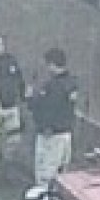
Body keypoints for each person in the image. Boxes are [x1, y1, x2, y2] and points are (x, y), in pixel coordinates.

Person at [27, 47, 78, 188]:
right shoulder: (71, 83)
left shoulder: (54, 86)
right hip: (66, 133)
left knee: (45, 174)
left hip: (50, 135)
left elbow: (46, 108)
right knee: (61, 173)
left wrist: (31, 98)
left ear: (51, 64)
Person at [0, 33, 25, 169]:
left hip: (11, 107)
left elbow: (19, 81)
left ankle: (8, 169)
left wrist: (21, 96)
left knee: (13, 141)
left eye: (1, 45)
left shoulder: (11, 61)